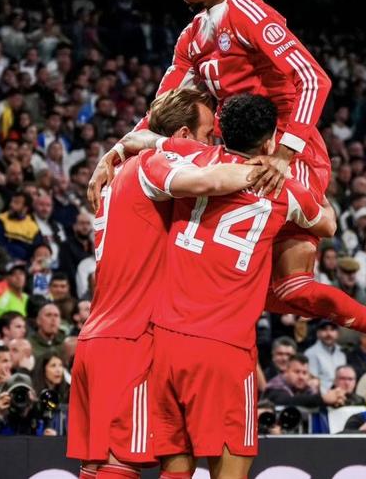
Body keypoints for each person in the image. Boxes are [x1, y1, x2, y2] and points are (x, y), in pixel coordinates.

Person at [87, 0, 366, 342]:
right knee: (231, 276)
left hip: (283, 146)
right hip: (233, 151)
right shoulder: (190, 37)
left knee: (291, 286)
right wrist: (117, 148)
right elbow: (161, 107)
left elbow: (313, 79)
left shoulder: (250, 14)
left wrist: (284, 155)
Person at [68, 89, 262, 479]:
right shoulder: (151, 165)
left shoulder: (118, 174)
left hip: (99, 335)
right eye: (208, 136)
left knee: (111, 461)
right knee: (119, 464)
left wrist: (124, 145)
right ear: (185, 134)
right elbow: (207, 181)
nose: (213, 145)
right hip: (130, 338)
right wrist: (268, 169)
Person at [142, 94, 338, 479]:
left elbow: (151, 142)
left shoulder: (194, 160)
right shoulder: (283, 188)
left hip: (167, 338)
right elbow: (328, 223)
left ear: (220, 132)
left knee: (175, 469)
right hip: (225, 347)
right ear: (269, 142)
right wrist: (297, 172)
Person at [263, 353, 346, 409]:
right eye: (297, 372)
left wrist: (335, 400)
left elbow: (311, 401)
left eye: (304, 373)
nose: (301, 377)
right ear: (286, 372)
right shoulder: (274, 387)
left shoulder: (309, 388)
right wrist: (322, 399)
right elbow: (288, 401)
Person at [305, 319, 347, 392]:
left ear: (338, 334)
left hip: (341, 393)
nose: (329, 333)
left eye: (332, 329)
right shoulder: (310, 353)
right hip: (321, 395)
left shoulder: (342, 352)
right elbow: (312, 381)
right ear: (318, 333)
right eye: (324, 329)